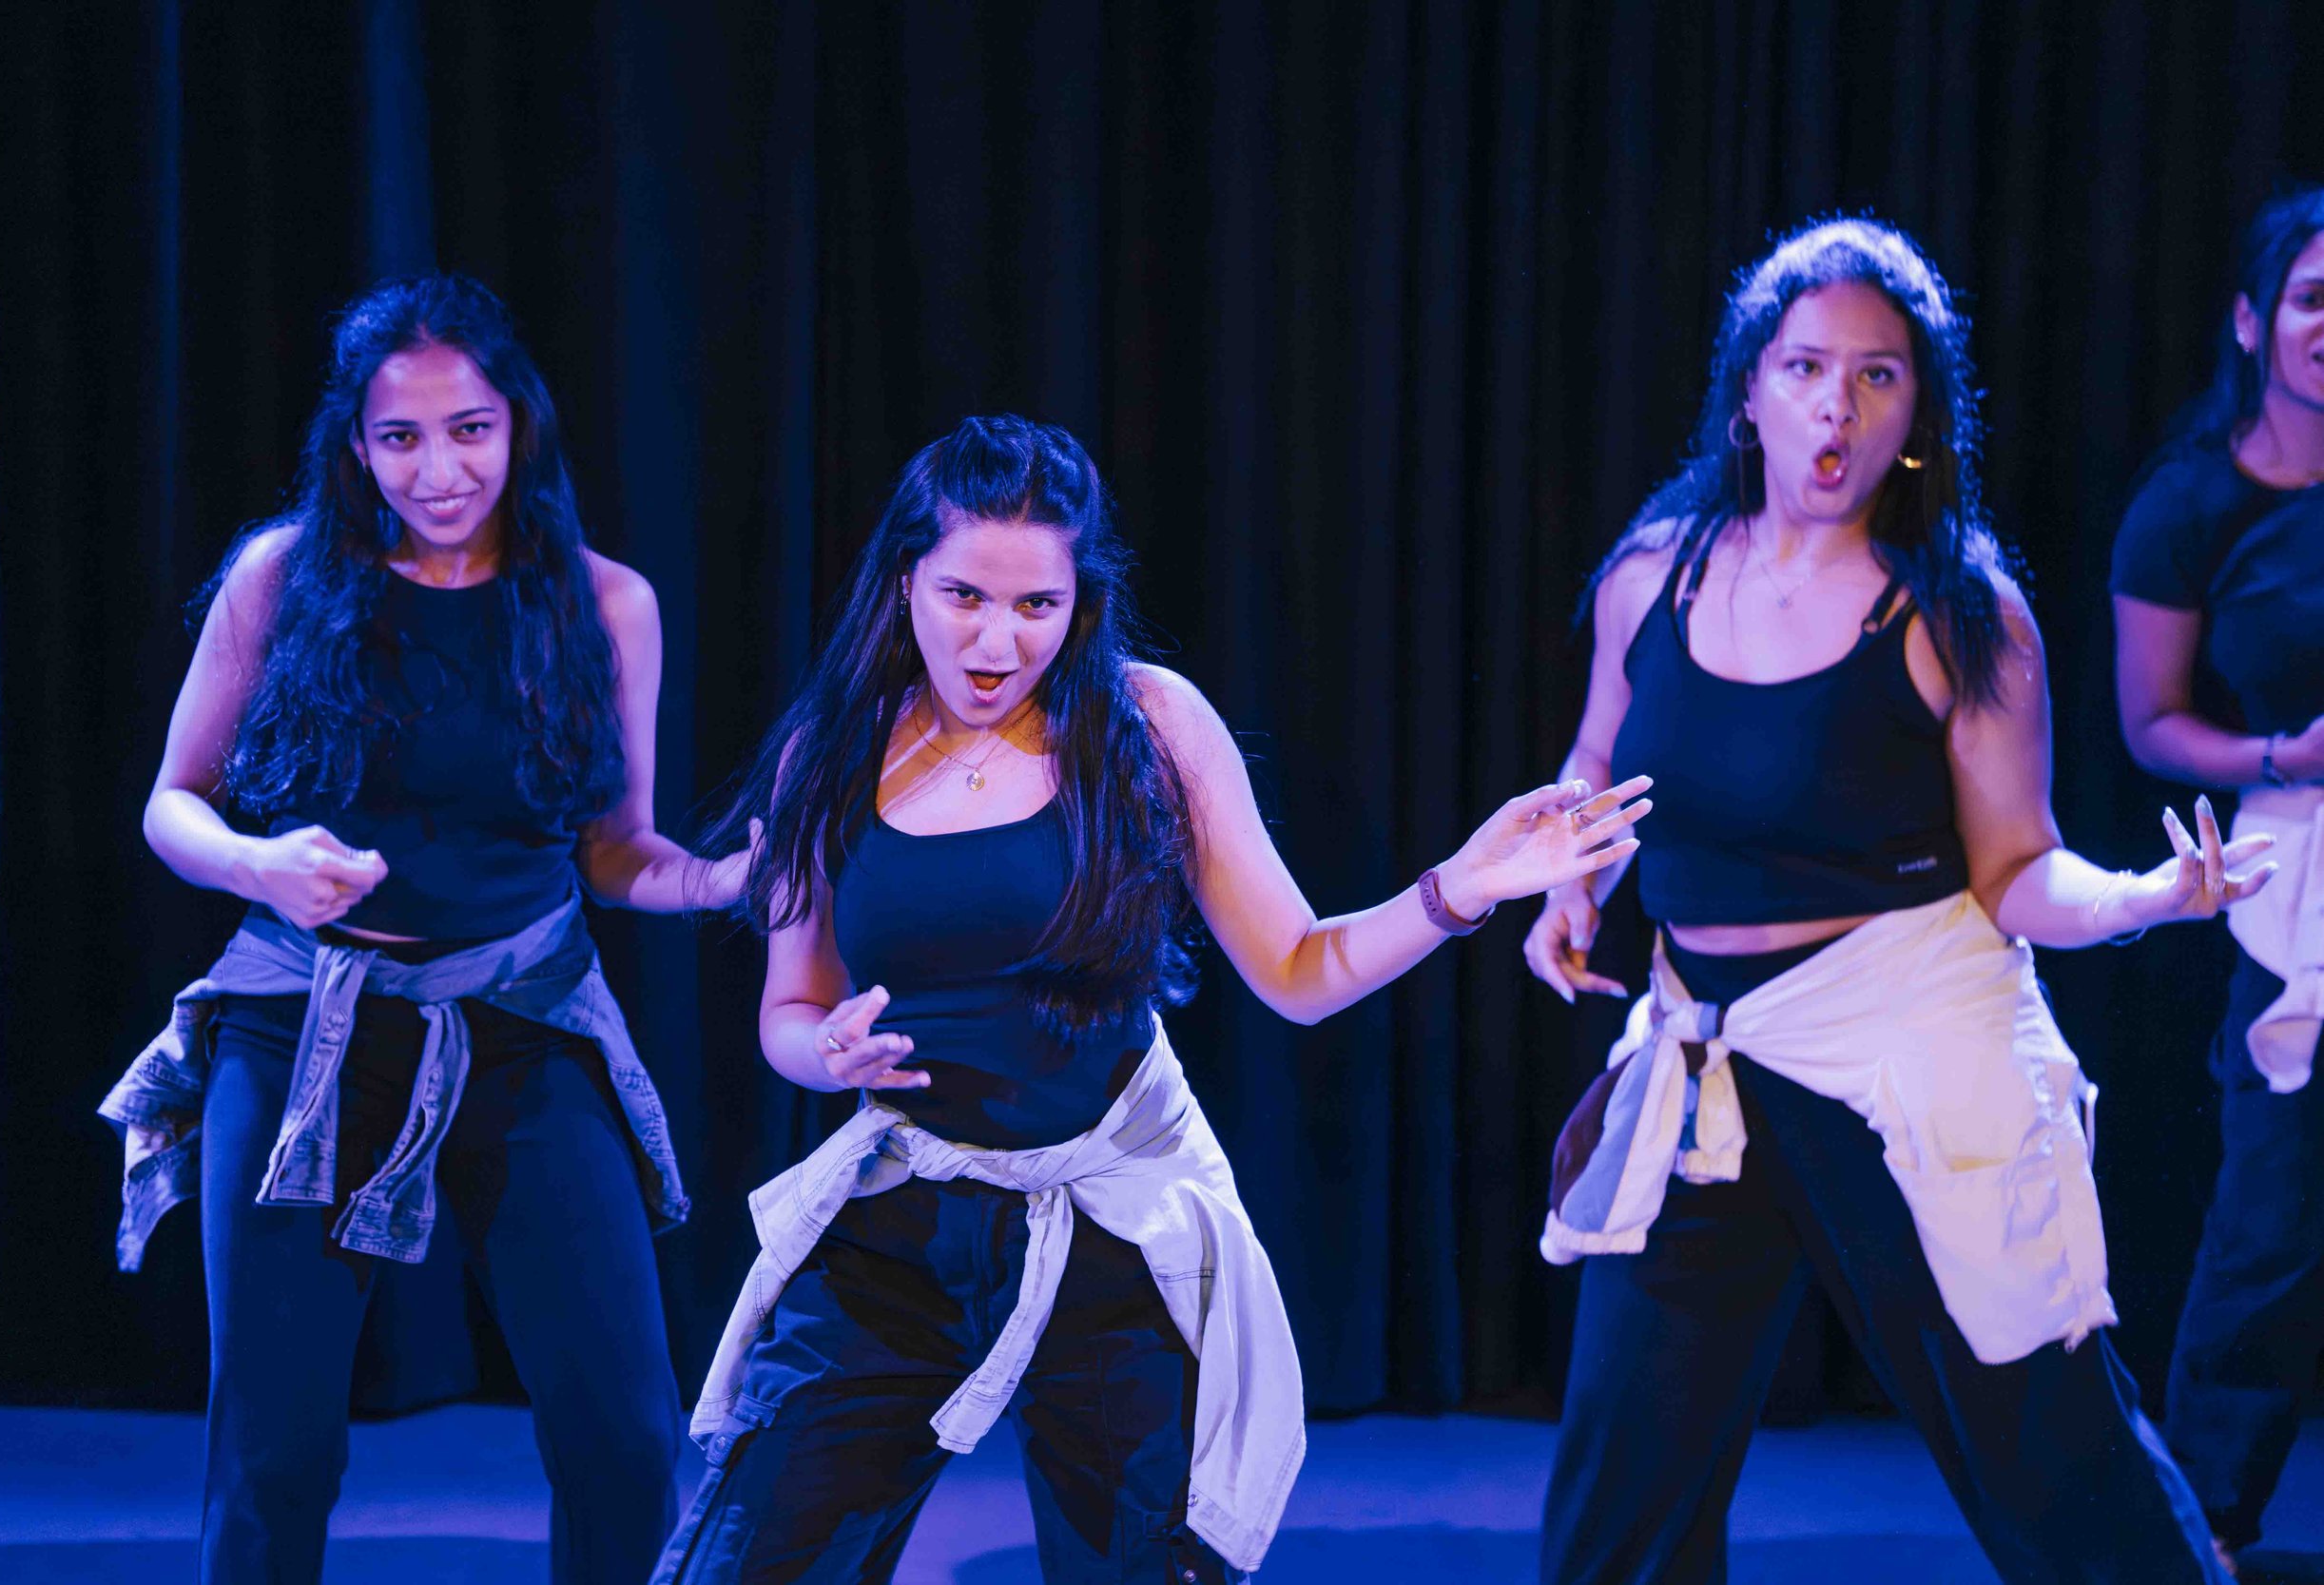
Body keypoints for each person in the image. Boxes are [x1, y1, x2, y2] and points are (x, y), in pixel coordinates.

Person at [649, 414, 1649, 1583]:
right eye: (965, 595)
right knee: (738, 1559)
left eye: (1038, 606)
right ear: (905, 579)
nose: (996, 638)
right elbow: (788, 1009)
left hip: (1115, 1227)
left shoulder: (1149, 726)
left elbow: (1300, 971)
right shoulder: (829, 748)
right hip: (907, 1224)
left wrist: (1455, 891)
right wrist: (826, 1053)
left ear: (1080, 600)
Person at [1524, 218, 2274, 1584]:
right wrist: (1571, 879)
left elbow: (2020, 872)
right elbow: (1599, 761)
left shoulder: (1960, 610)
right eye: (1807, 365)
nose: (1838, 402)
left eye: (1878, 375)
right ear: (1750, 386)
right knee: (1622, 1476)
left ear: (1917, 406)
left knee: (2052, 1447)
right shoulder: (1657, 572)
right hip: (1707, 1055)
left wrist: (2149, 896)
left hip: (1906, 1042)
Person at [98, 274, 741, 1583]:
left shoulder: (607, 602)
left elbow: (620, 849)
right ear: (356, 444)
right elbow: (173, 803)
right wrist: (261, 864)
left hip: (523, 1020)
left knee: (624, 1434)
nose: (439, 467)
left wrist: (719, 884)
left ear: (520, 428)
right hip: (299, 1033)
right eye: (401, 437)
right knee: (275, 1451)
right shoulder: (280, 577)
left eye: (469, 430)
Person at [2114, 184, 2324, 1576]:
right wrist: (2285, 754)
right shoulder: (2190, 506)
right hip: (2288, 888)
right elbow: (2151, 721)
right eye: (2315, 299)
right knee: (2272, 1217)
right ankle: (2207, 1527)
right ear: (2255, 321)